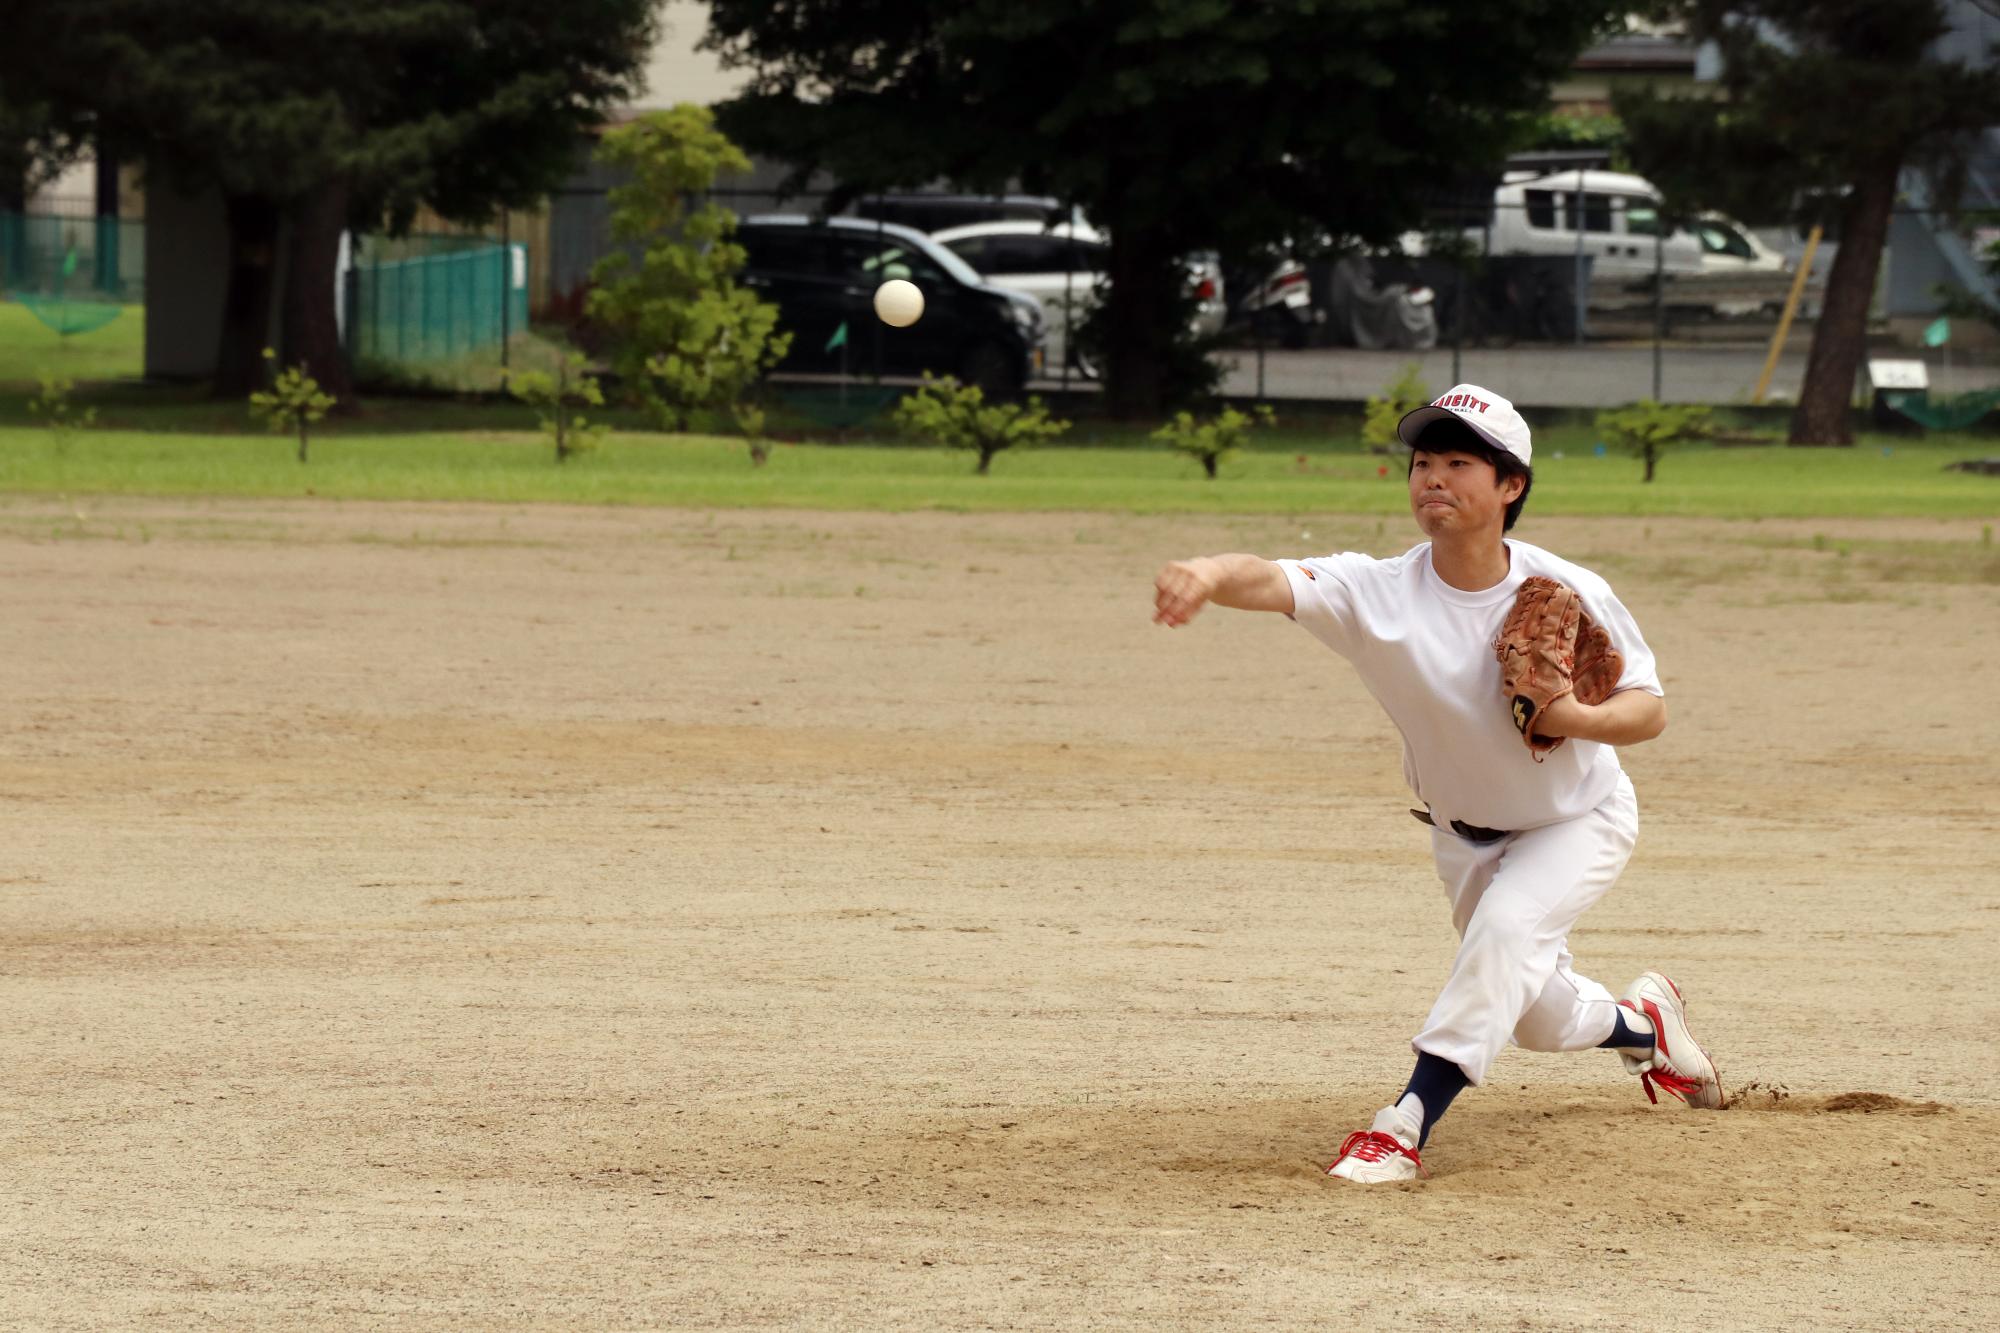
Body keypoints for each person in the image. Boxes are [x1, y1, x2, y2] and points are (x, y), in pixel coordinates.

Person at [1151, 383, 1721, 1184]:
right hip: (1462, 835)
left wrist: (1570, 717)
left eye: (1460, 462)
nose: (1434, 478)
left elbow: (1649, 710)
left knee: (1501, 940)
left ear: (1510, 485)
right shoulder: (1377, 592)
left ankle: (1403, 1125)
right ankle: (1645, 1026)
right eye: (1424, 461)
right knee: (1537, 1018)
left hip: (1575, 819)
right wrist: (1208, 572)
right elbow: (1270, 578)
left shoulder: (1564, 590)